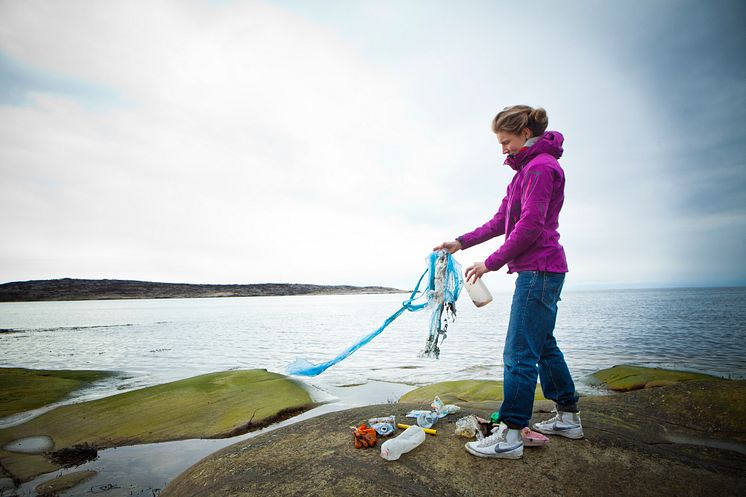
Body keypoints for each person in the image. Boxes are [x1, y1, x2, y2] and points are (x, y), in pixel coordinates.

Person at [433, 105, 582, 460]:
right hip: (541, 271)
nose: (503, 149)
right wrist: (461, 242)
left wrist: (491, 263)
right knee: (543, 346)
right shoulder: (523, 173)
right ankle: (569, 418)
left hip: (539, 271)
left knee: (518, 354)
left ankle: (511, 435)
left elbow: (530, 226)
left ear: (525, 133)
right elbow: (502, 220)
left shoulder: (542, 168)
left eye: (506, 141)